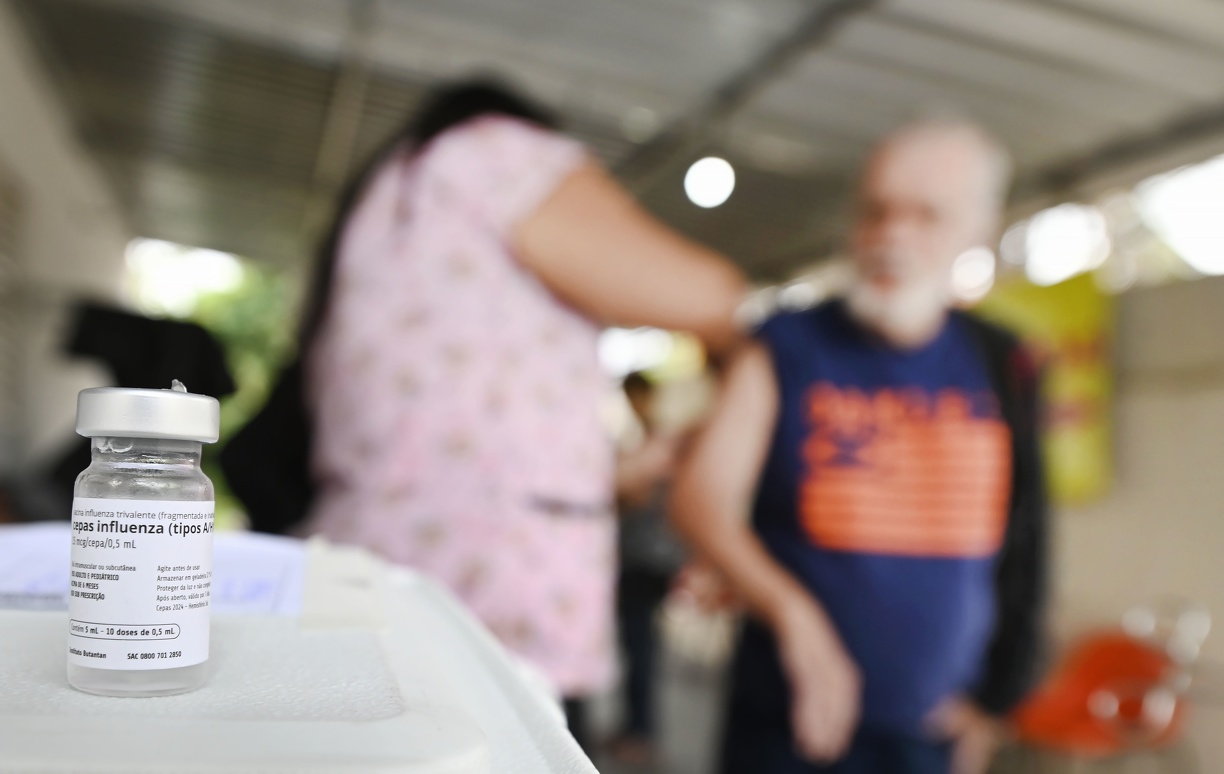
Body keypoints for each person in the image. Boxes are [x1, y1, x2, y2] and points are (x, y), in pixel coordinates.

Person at [298, 79, 746, 753]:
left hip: (370, 579)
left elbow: (456, 438)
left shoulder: (387, 206)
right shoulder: (493, 155)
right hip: (486, 598)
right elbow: (716, 298)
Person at [671, 120, 1047, 774]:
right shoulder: (786, 344)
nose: (892, 234)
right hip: (790, 725)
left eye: (926, 215)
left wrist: (995, 699)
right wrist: (797, 619)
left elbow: (1027, 536)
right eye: (876, 211)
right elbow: (701, 500)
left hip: (931, 732)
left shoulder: (1002, 359)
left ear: (977, 230)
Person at [609, 372, 689, 764]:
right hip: (638, 557)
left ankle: (641, 733)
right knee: (634, 645)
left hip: (647, 560)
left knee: (640, 648)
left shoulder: (657, 442)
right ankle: (634, 728)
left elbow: (632, 495)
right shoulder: (643, 439)